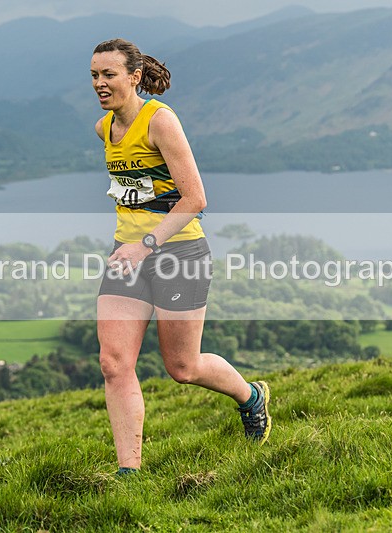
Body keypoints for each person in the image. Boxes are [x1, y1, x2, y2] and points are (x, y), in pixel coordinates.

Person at [90, 38, 272, 476]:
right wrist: (130, 246)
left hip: (178, 253)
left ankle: (252, 397)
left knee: (183, 367)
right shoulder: (104, 129)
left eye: (109, 74)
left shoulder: (160, 121)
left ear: (134, 77)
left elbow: (195, 199)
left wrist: (145, 245)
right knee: (113, 363)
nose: (99, 83)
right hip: (127, 257)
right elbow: (136, 194)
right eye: (94, 75)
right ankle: (129, 472)